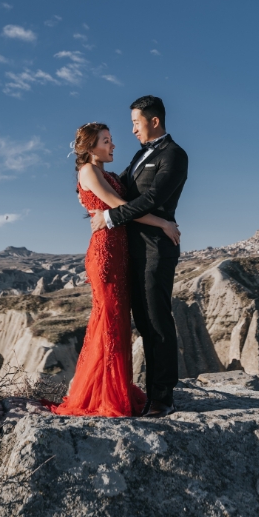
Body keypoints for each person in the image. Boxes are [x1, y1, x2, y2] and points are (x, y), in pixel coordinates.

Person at [49, 122, 180, 418]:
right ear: (90, 147)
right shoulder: (89, 172)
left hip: (120, 253)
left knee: (117, 322)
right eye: (106, 141)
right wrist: (163, 223)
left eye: (111, 140)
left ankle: (115, 389)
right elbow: (122, 205)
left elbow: (118, 205)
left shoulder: (105, 172)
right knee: (107, 322)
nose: (113, 146)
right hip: (106, 253)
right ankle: (102, 395)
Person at [90, 96, 189, 417]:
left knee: (156, 321)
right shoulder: (138, 156)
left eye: (136, 122)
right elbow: (118, 192)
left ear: (154, 121)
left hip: (155, 249)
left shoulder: (174, 155)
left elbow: (153, 197)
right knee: (140, 323)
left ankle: (162, 397)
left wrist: (110, 218)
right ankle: (141, 392)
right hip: (128, 250)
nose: (132, 130)